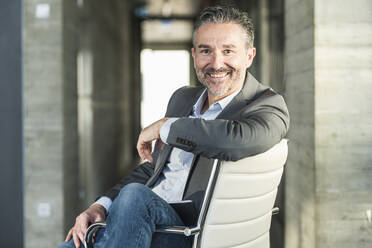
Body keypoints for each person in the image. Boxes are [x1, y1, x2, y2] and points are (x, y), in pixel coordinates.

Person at [58, 5, 289, 248]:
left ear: (249, 56)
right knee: (70, 244)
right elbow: (153, 169)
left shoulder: (267, 104)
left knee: (135, 197)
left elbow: (241, 139)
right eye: (205, 51)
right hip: (139, 223)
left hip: (186, 233)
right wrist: (101, 205)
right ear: (194, 55)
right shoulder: (183, 99)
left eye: (228, 51)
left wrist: (169, 126)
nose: (216, 63)